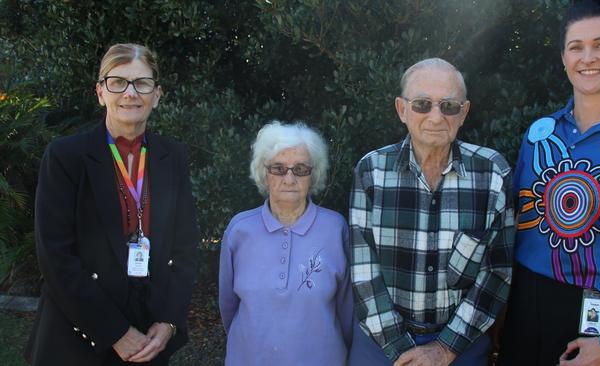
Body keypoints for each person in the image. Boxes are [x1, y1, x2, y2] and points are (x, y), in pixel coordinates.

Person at [24, 43, 198, 365]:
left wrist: (169, 322)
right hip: (77, 338)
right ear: (101, 92)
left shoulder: (171, 155)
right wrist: (115, 332)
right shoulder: (66, 157)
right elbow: (55, 257)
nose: (130, 93)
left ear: (157, 94)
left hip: (149, 340)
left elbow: (185, 250)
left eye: (142, 83)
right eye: (118, 82)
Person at [496, 1, 600, 365]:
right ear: (564, 58)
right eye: (575, 47)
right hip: (527, 306)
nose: (588, 57)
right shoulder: (539, 135)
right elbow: (515, 227)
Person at [349, 58, 515, 366]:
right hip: (380, 343)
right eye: (422, 104)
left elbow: (497, 272)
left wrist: (445, 349)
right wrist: (400, 351)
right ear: (402, 110)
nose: (436, 117)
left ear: (463, 113)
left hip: (461, 345)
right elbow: (363, 271)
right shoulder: (371, 171)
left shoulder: (493, 173)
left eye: (449, 106)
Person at [218, 121, 354, 365]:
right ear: (264, 173)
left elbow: (347, 311)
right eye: (278, 168)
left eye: (300, 169)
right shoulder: (239, 229)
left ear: (313, 175)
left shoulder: (336, 228)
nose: (289, 178)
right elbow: (228, 307)